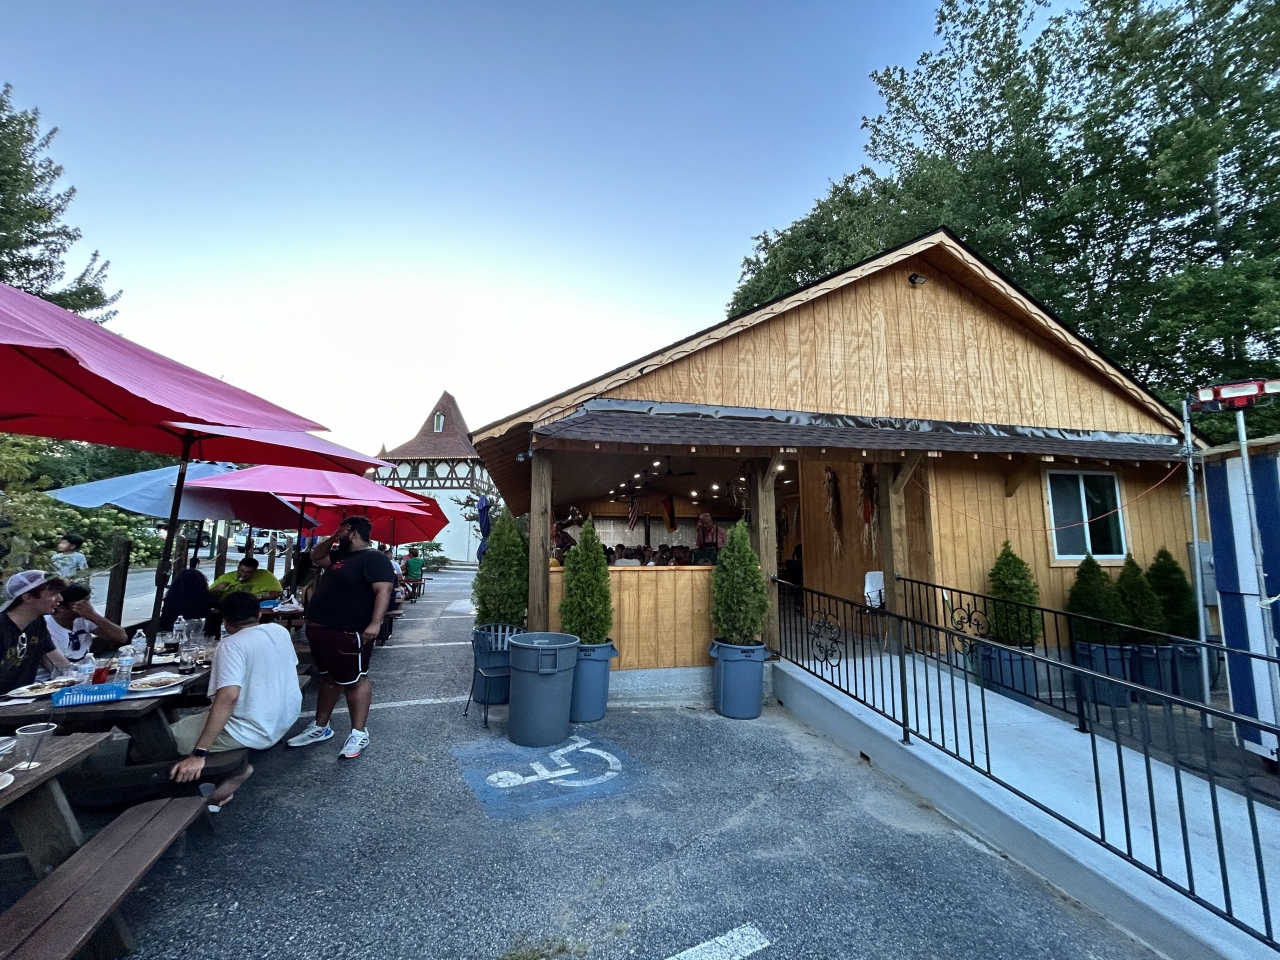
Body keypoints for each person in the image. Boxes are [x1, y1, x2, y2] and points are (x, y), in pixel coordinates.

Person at [169, 592, 302, 811]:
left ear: (224, 620)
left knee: (159, 740)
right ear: (259, 614)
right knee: (190, 723)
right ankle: (222, 775)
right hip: (283, 718)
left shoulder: (231, 645)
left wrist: (199, 754)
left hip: (250, 728)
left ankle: (233, 772)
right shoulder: (279, 631)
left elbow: (228, 697)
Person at [287, 516, 396, 759]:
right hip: (321, 629)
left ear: (353, 533)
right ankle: (321, 726)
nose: (337, 534)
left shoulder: (374, 558)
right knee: (328, 679)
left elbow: (384, 590)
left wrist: (375, 623)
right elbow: (316, 557)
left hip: (348, 631)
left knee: (355, 680)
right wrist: (334, 538)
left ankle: (359, 732)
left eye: (342, 530)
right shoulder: (341, 556)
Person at [1, 572, 73, 693]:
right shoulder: (2, 627)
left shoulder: (37, 623)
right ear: (28, 597)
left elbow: (57, 663)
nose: (60, 598)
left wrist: (80, 674)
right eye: (53, 594)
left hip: (23, 698)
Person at [45, 584, 127, 663]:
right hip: (62, 668)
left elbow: (121, 638)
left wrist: (94, 616)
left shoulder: (87, 616)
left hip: (86, 664)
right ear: (61, 606)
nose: (87, 606)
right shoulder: (46, 626)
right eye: (81, 603)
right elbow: (58, 664)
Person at [160, 564, 216, 631]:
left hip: (173, 632)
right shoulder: (207, 597)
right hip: (201, 632)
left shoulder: (170, 599)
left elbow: (164, 621)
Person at [210, 556, 283, 602]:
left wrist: (261, 596)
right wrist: (216, 589)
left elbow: (278, 592)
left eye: (248, 572)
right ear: (238, 568)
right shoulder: (225, 578)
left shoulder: (265, 575)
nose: (243, 575)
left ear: (255, 571)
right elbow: (207, 595)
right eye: (241, 571)